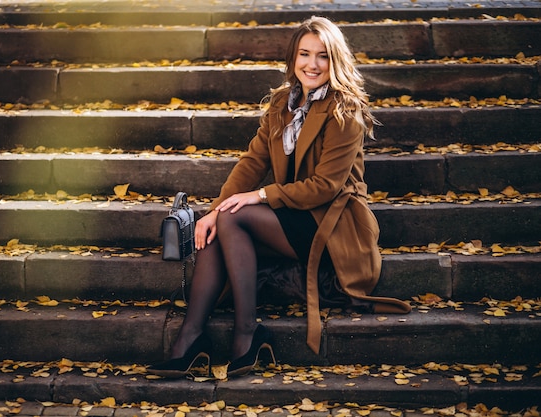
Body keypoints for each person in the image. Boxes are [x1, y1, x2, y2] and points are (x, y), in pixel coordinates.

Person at [149, 16, 410, 379]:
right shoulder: (282, 105)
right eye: (305, 54)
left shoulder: (344, 110)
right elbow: (252, 162)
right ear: (293, 59)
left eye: (322, 56)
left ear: (335, 61)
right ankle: (190, 339)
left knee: (233, 216)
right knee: (215, 228)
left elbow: (324, 187)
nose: (312, 64)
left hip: (331, 223)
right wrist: (210, 212)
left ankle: (246, 332)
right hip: (290, 213)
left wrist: (258, 196)